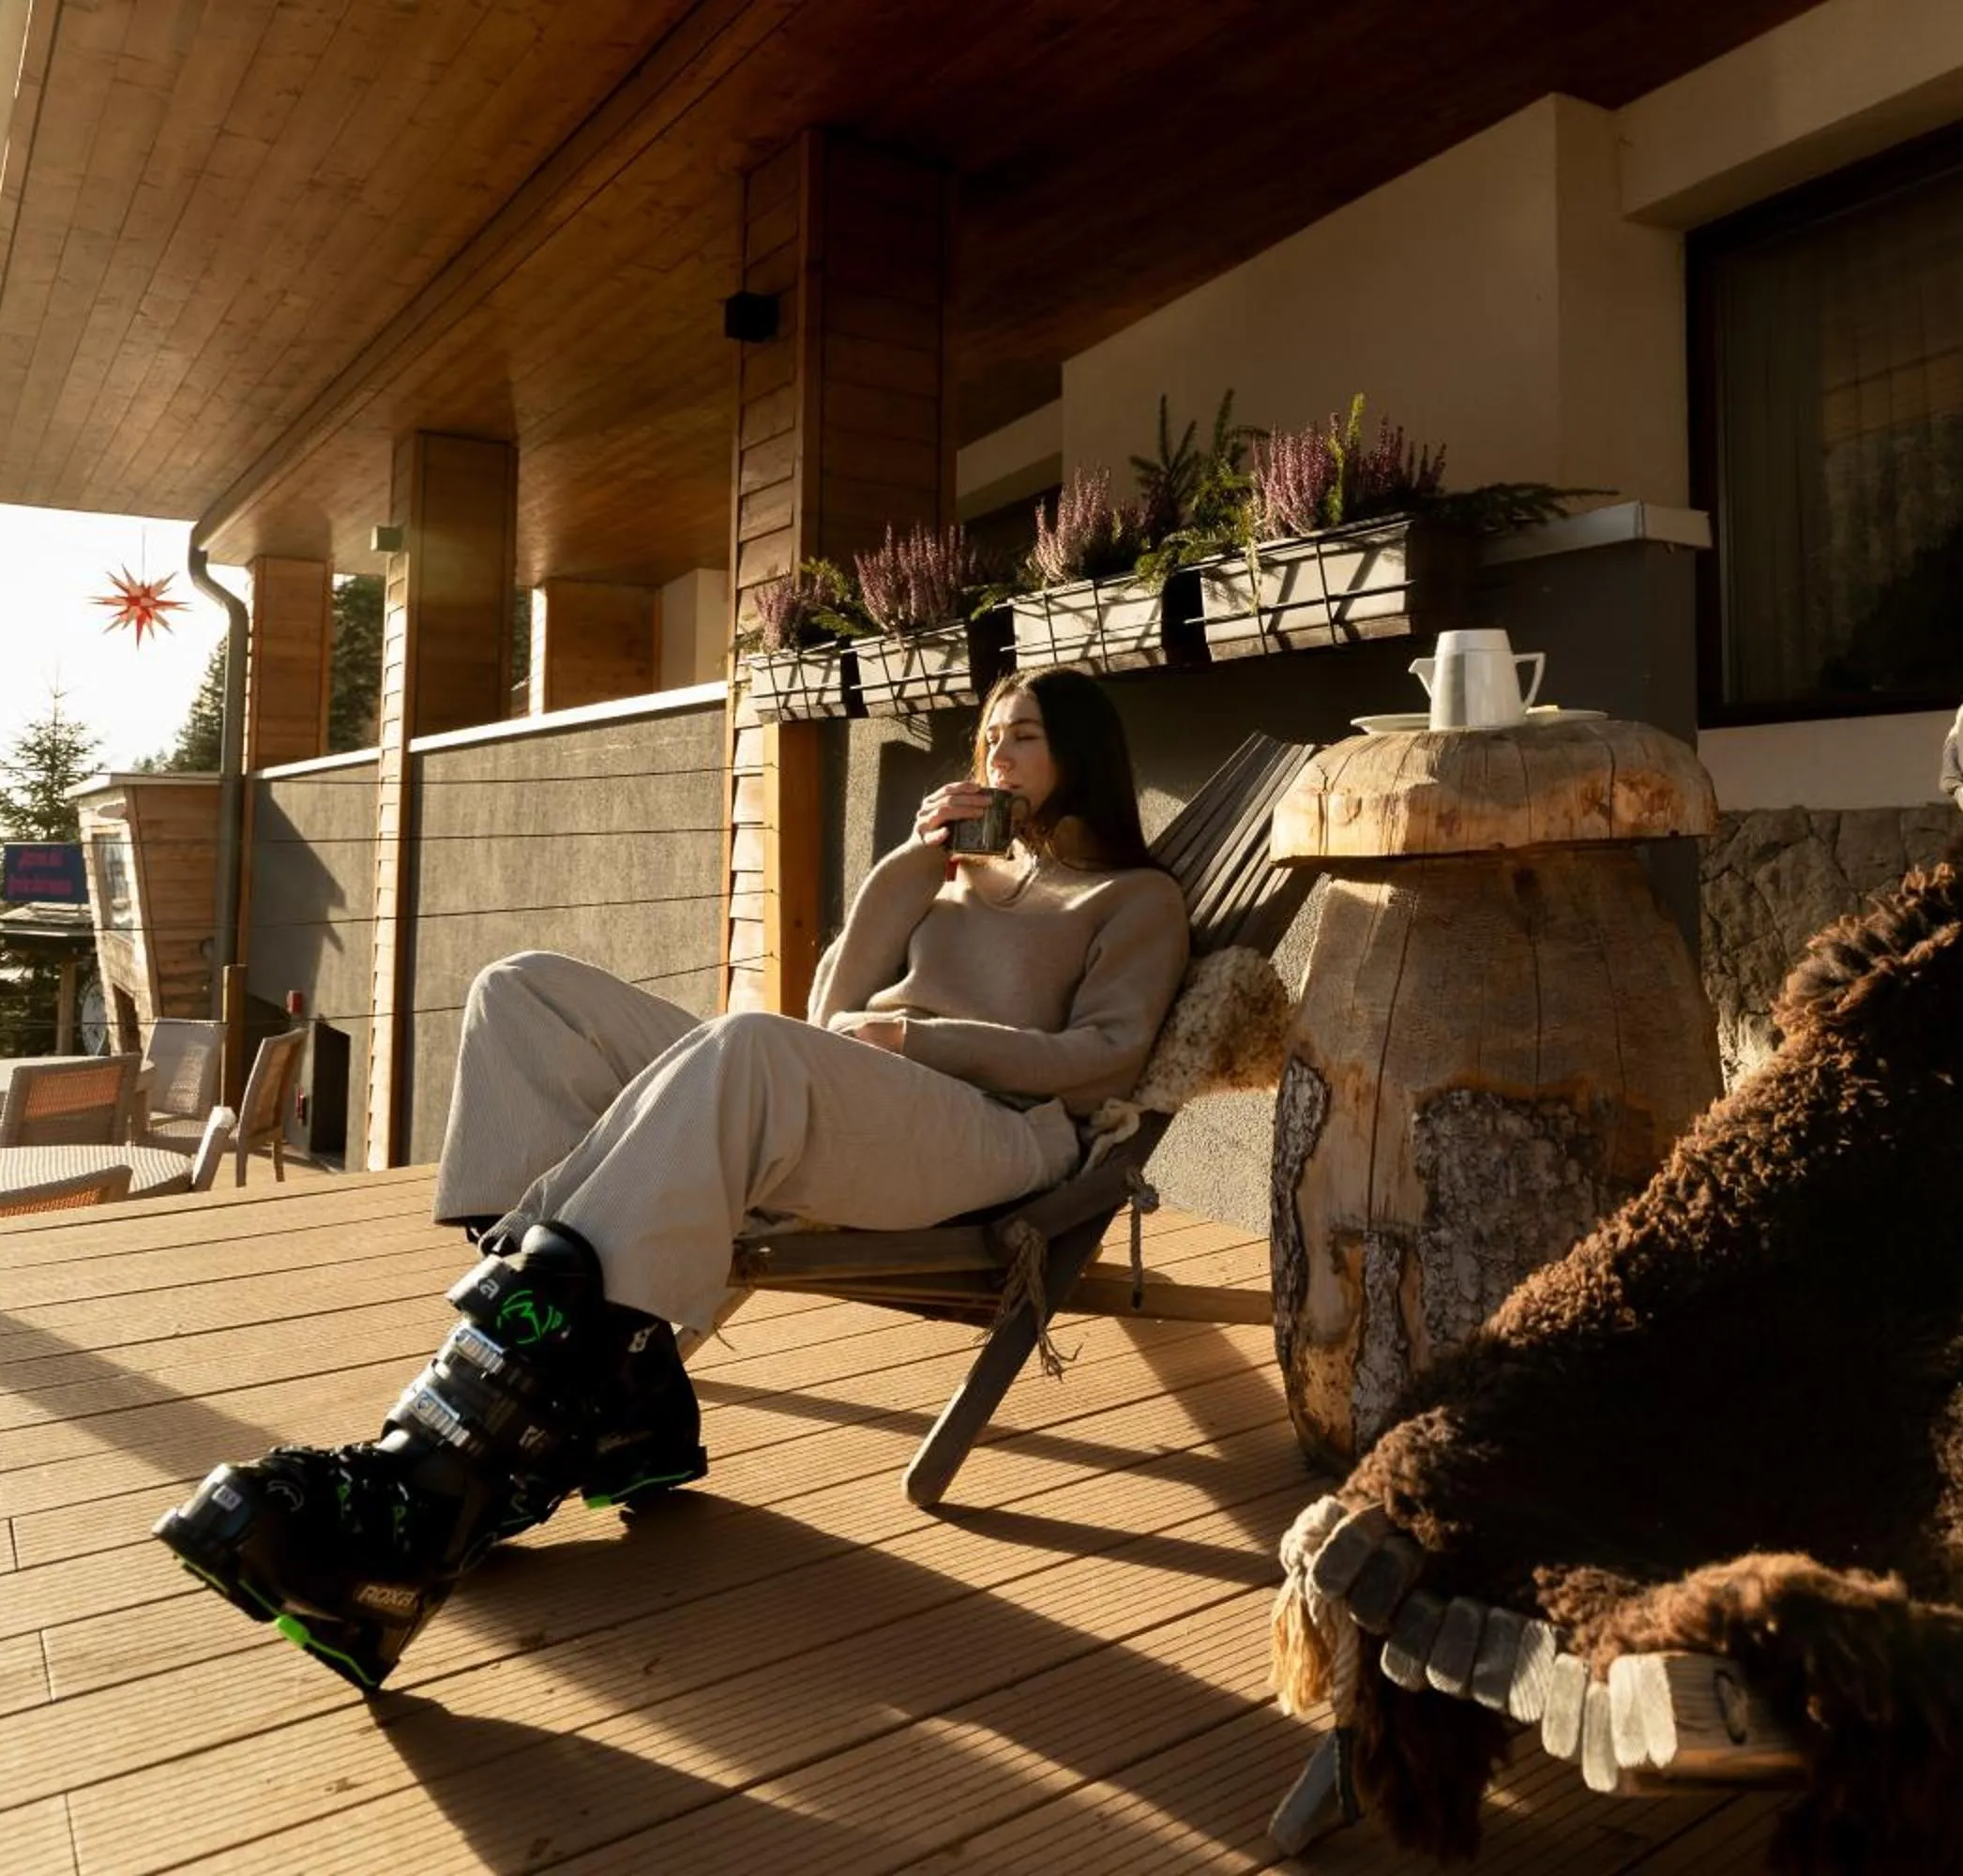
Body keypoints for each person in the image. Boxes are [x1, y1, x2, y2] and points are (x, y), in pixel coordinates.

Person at [154, 669, 1190, 1690]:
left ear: (1083, 757)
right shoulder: (952, 876)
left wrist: (918, 1037)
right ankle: (617, 1389)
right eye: (991, 735)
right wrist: (912, 866)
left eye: (1026, 736)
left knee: (747, 1048)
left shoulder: (1134, 898)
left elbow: (1102, 1058)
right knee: (523, 994)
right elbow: (826, 1002)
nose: (996, 753)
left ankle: (438, 1479)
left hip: (1000, 1137)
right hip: (856, 1092)